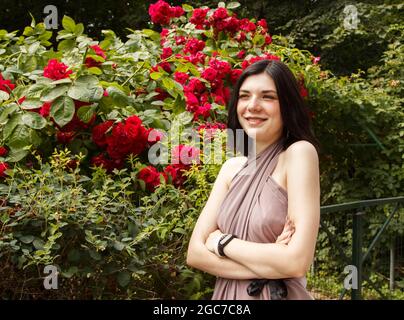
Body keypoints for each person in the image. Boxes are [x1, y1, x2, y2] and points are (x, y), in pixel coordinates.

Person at [186, 59, 320, 300]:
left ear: (287, 105)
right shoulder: (231, 169)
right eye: (245, 96)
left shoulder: (299, 154)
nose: (252, 106)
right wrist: (272, 262)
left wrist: (222, 243)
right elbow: (195, 254)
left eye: (267, 97)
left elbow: (297, 261)